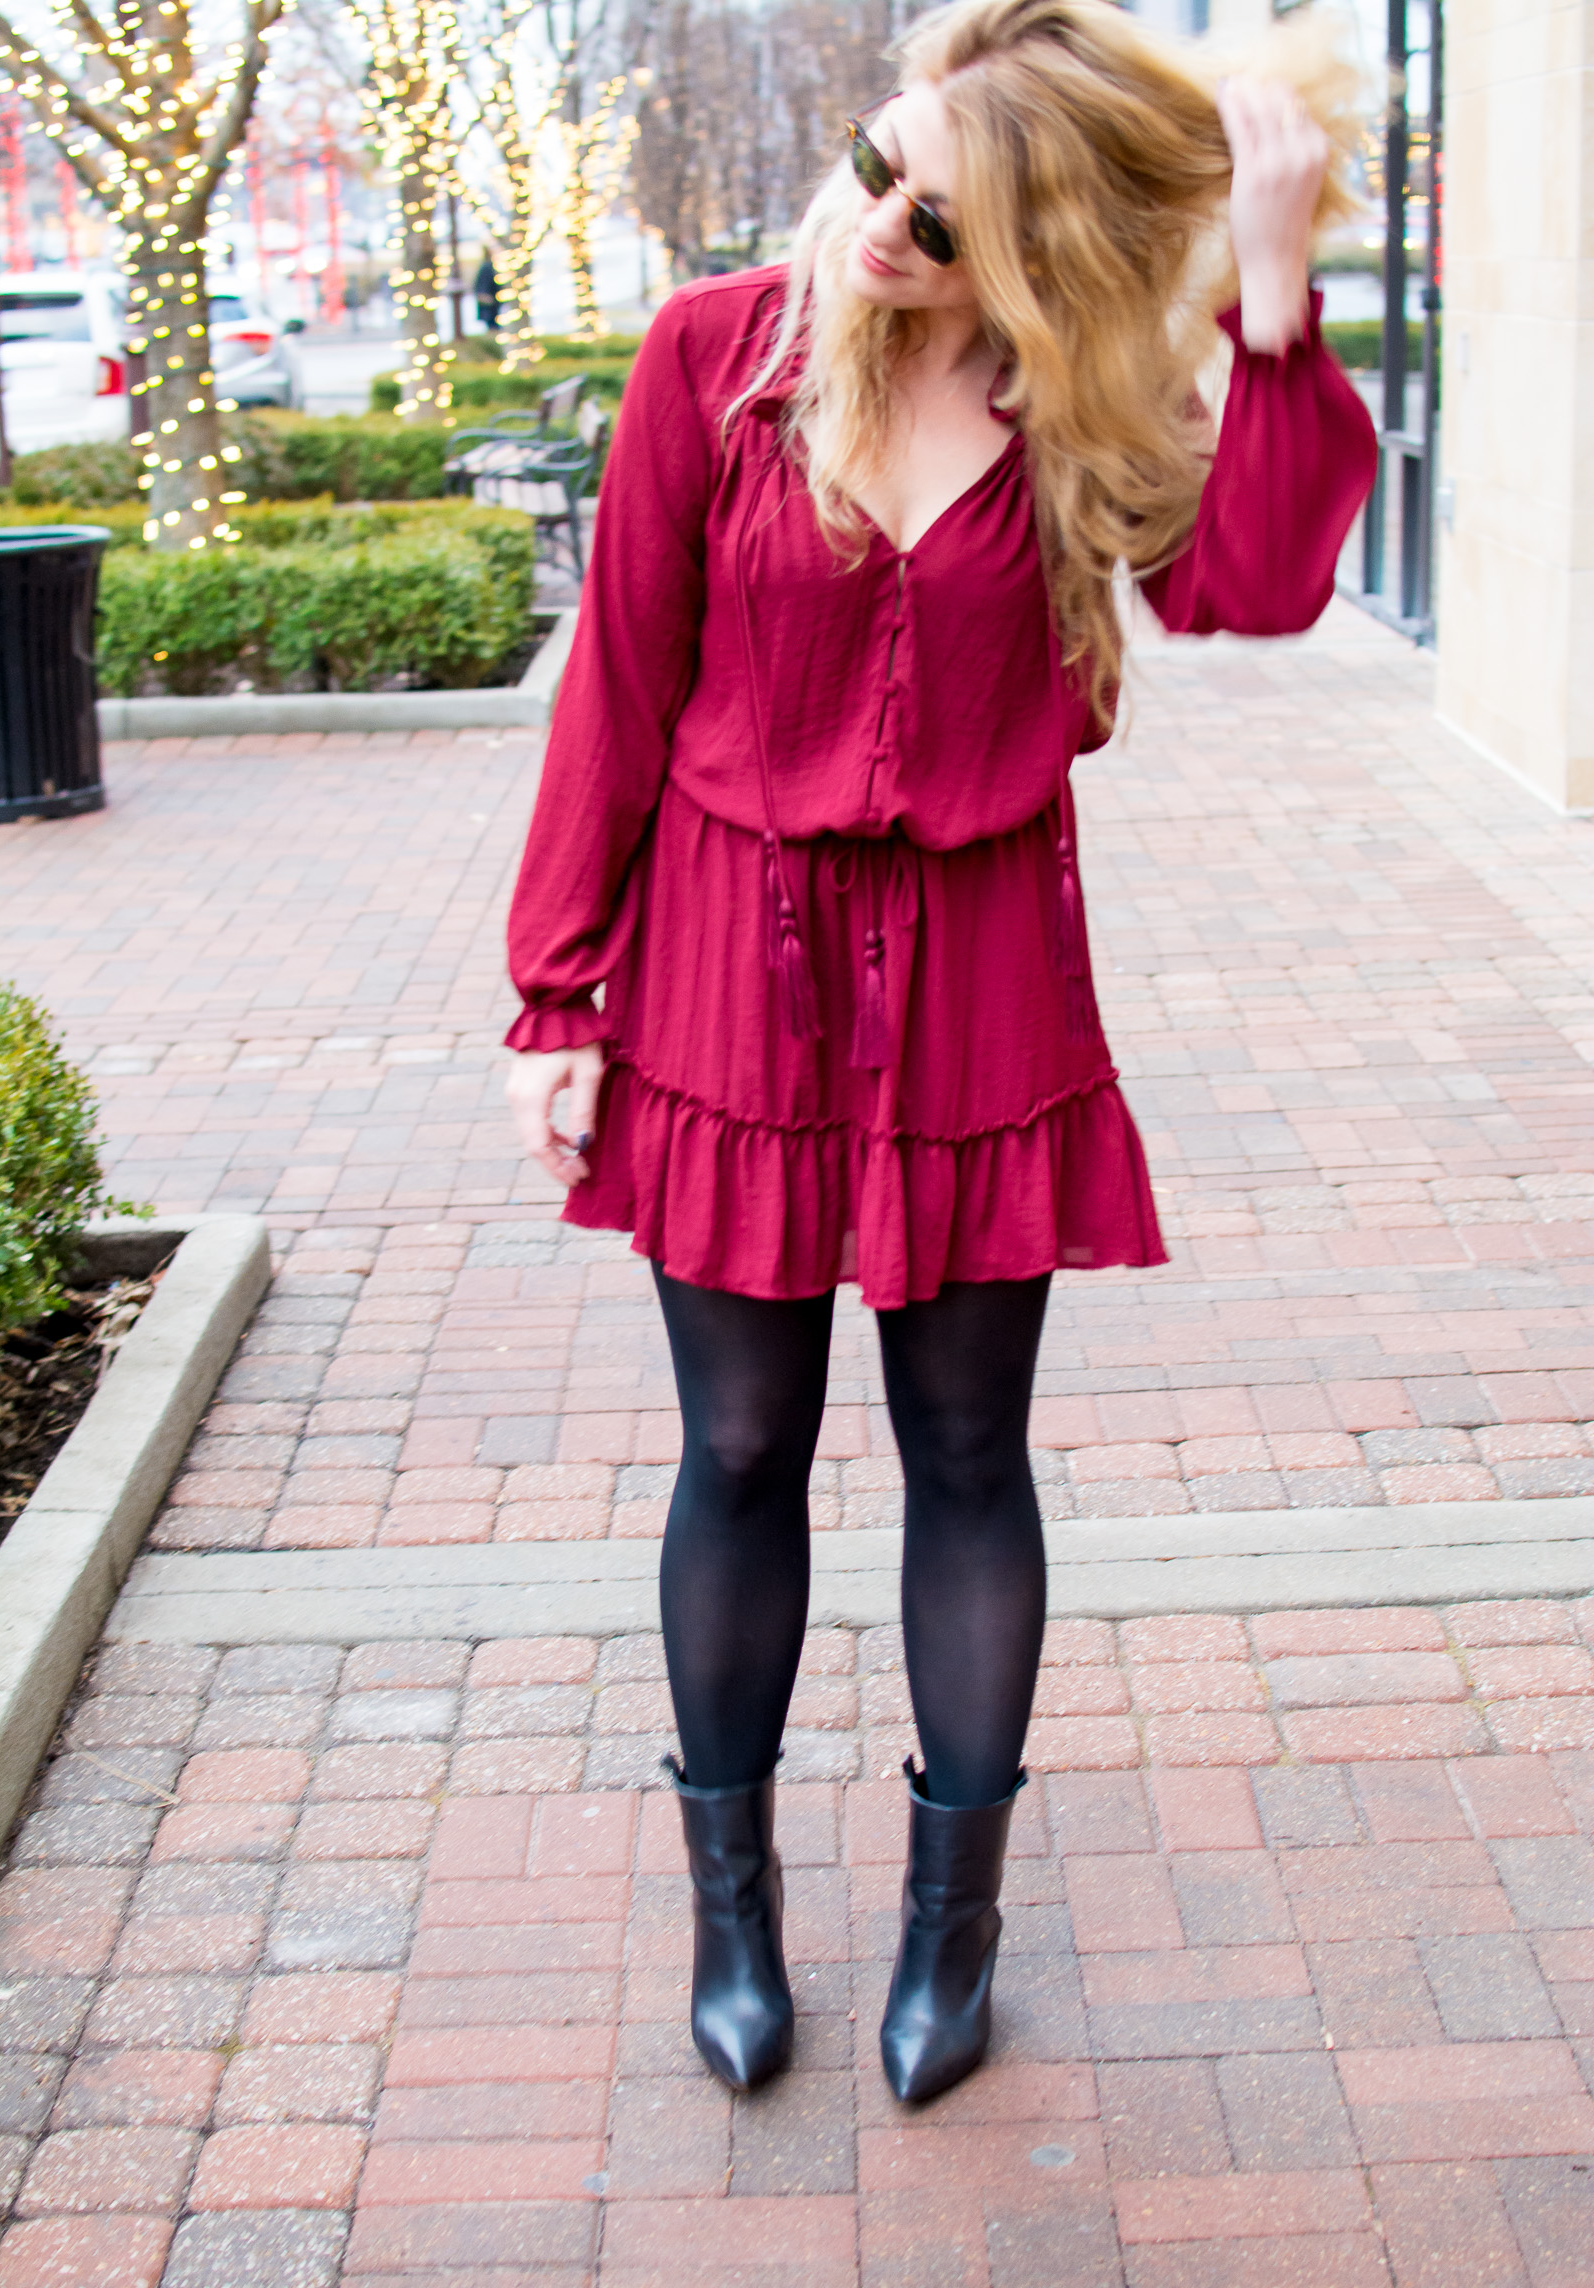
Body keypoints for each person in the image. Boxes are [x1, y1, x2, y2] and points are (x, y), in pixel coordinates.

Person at [504, 0, 1377, 2104]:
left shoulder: (1079, 395)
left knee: (968, 1453)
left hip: (979, 974)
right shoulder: (715, 356)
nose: (881, 217)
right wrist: (556, 990)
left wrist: (1263, 303)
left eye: (944, 203)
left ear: (1036, 239)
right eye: (872, 163)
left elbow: (1249, 589)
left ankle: (946, 1934)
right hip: (726, 960)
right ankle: (732, 1917)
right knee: (735, 1449)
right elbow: (617, 678)